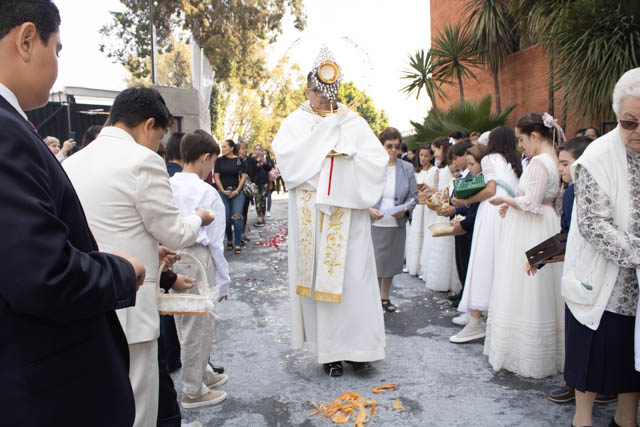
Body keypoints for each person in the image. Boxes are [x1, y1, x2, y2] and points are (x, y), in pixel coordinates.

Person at [0, 1, 147, 425]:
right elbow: (42, 275)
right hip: (45, 389)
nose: (58, 63)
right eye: (57, 49)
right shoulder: (6, 133)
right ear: (27, 40)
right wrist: (121, 271)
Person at [64, 87, 214, 427]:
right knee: (138, 407)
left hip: (88, 297)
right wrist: (199, 219)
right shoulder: (142, 161)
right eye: (159, 136)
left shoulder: (73, 162)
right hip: (130, 306)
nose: (158, 146)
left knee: (102, 404)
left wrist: (150, 249)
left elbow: (103, 228)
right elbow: (174, 231)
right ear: (149, 125)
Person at [272, 48, 388, 377]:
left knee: (356, 279)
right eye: (317, 92)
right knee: (320, 282)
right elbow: (290, 164)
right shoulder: (295, 123)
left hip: (348, 214)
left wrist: (343, 162)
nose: (323, 99)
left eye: (328, 93)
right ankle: (330, 354)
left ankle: (360, 350)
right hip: (313, 215)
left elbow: (376, 161)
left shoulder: (352, 121)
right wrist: (327, 157)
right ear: (307, 91)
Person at [562, 68, 640, 427]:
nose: (638, 132)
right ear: (617, 117)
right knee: (590, 368)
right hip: (602, 283)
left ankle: (625, 421)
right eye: (629, 123)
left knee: (632, 369)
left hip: (636, 290)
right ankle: (583, 421)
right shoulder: (597, 155)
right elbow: (593, 224)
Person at [483, 113, 564, 379]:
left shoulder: (540, 162)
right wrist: (512, 204)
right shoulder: (553, 159)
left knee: (526, 285)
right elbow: (544, 201)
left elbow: (531, 202)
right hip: (545, 222)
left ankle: (524, 352)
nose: (521, 146)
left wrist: (504, 200)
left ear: (535, 135)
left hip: (533, 227)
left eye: (521, 139)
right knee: (538, 286)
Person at [170, 130, 230, 409]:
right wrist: (224, 281)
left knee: (184, 321)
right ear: (206, 158)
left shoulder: (167, 185)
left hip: (171, 256)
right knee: (200, 323)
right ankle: (193, 389)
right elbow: (217, 244)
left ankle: (202, 373)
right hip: (198, 255)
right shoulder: (207, 193)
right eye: (213, 162)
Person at [449, 126, 521, 340]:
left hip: (490, 212)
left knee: (482, 262)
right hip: (507, 213)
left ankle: (476, 320)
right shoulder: (515, 162)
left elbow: (490, 190)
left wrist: (466, 200)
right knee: (500, 264)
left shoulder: (490, 159)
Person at [370, 127, 418, 313]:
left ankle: (384, 297)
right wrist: (368, 209)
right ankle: (373, 298)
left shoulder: (406, 168)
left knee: (390, 262)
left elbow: (414, 196)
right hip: (375, 221)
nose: (393, 150)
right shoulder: (372, 166)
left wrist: (405, 210)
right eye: (389, 146)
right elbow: (361, 193)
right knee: (375, 262)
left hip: (396, 222)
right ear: (381, 146)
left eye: (396, 146)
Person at [421, 136, 461, 294]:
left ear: (442, 149)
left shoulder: (449, 167)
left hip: (448, 206)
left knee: (447, 243)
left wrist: (436, 192)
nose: (434, 153)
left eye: (436, 150)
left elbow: (448, 188)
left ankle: (450, 282)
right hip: (443, 205)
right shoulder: (443, 167)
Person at [445, 139, 473, 304]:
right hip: (458, 220)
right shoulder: (464, 175)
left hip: (466, 222)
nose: (454, 162)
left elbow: (468, 201)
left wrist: (455, 209)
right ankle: (463, 291)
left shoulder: (472, 175)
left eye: (456, 158)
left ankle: (465, 296)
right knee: (460, 260)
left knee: (466, 260)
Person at [406, 143, 438, 277]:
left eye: (426, 155)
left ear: (431, 156)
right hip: (418, 206)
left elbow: (437, 188)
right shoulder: (416, 171)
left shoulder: (435, 171)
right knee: (416, 234)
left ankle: (424, 267)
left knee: (426, 235)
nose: (423, 158)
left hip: (428, 206)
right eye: (421, 155)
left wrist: (428, 188)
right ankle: (413, 265)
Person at [214, 139, 248, 253]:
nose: (222, 149)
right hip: (223, 193)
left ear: (232, 148)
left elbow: (243, 176)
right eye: (222, 147)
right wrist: (222, 190)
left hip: (237, 192)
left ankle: (237, 243)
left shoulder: (239, 160)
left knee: (237, 216)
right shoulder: (219, 161)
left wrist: (237, 190)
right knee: (226, 218)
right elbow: (216, 176)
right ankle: (229, 238)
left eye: (224, 147)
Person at [247, 144, 272, 227]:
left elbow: (269, 168)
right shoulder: (252, 160)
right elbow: (250, 171)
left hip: (264, 182)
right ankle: (259, 219)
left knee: (263, 200)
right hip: (256, 183)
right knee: (257, 200)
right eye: (256, 149)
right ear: (254, 150)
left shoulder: (265, 158)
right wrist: (252, 183)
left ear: (262, 151)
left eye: (259, 149)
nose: (258, 151)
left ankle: (263, 216)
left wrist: (264, 161)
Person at [238, 141, 252, 244]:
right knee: (238, 212)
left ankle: (242, 232)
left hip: (247, 188)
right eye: (242, 148)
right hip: (237, 188)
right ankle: (238, 233)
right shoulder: (236, 160)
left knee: (245, 211)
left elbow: (254, 172)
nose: (244, 150)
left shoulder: (250, 160)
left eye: (246, 148)